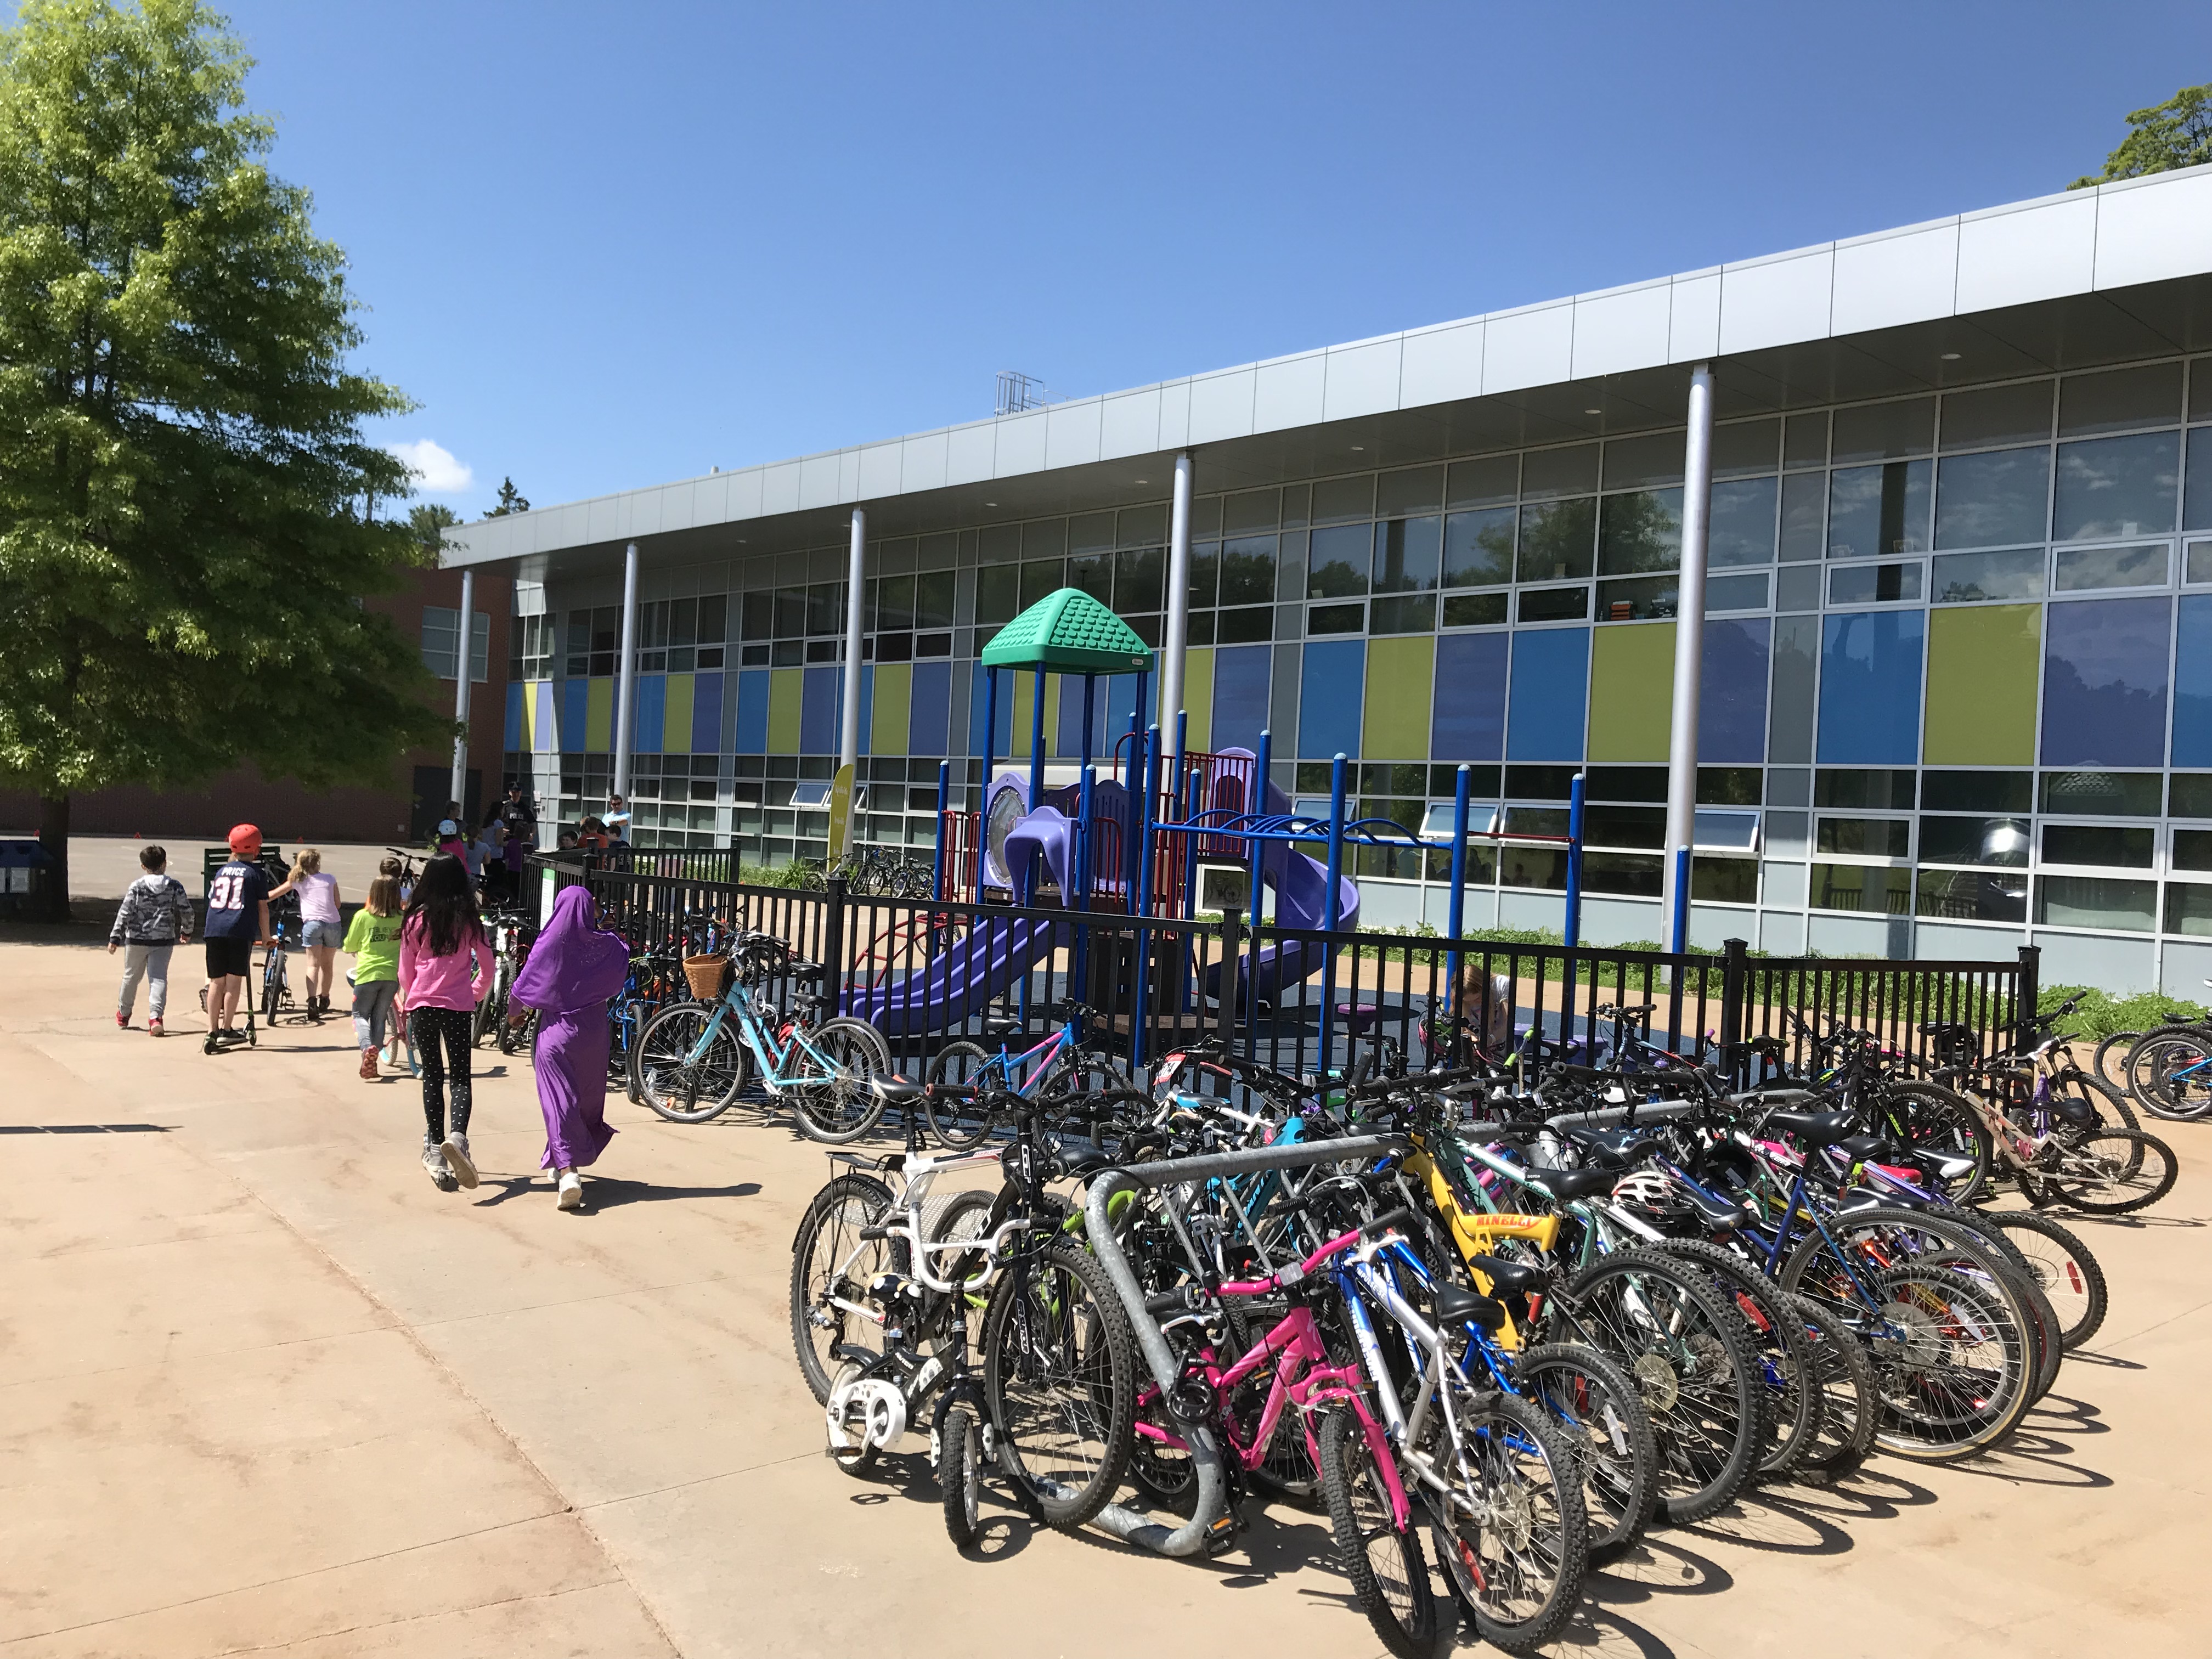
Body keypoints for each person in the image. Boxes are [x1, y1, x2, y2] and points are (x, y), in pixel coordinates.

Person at [509, 885, 628, 1212]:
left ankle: (568, 1172)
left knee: (558, 1100)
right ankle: (557, 1157)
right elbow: (622, 965)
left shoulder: (551, 942)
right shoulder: (606, 946)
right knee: (582, 1100)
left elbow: (525, 982)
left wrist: (513, 1015)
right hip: (594, 1034)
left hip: (556, 1034)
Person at [397, 854, 494, 1190]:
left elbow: (404, 971)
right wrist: (475, 993)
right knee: (461, 1077)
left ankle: (436, 1147)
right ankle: (458, 1138)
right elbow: (488, 966)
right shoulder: (469, 920)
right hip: (457, 1006)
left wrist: (414, 997)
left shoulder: (416, 920)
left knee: (432, 1076)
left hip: (423, 1004)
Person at [203, 824, 273, 1051]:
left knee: (216, 981)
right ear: (256, 849)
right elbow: (263, 908)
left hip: (214, 929)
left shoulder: (222, 871)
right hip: (239, 929)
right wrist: (265, 935)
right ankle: (227, 1029)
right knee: (233, 982)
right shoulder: (256, 874)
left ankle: (211, 1030)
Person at [109, 844, 192, 1036]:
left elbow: (125, 912)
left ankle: (124, 1012)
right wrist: (186, 931)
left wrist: (116, 936)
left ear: (143, 866)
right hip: (163, 939)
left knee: (131, 976)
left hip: (137, 939)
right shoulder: (174, 886)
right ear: (164, 864)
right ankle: (156, 1017)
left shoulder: (137, 886)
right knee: (158, 978)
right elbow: (187, 911)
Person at [342, 874, 405, 1081]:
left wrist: (354, 949)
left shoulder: (363, 916)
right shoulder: (402, 919)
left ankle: (367, 1048)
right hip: (392, 975)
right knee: (379, 1017)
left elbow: (350, 945)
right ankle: (373, 1059)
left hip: (368, 974)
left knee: (360, 1015)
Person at [269, 848, 342, 1020]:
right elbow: (337, 904)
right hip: (332, 923)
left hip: (312, 924)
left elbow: (272, 895)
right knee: (328, 965)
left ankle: (311, 1002)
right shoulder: (330, 879)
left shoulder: (297, 880)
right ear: (318, 863)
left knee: (313, 965)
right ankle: (324, 998)